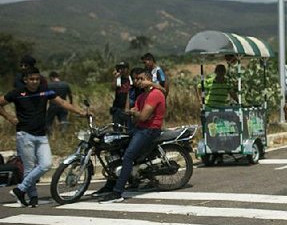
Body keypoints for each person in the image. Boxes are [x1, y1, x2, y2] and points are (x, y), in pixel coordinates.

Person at [0, 66, 89, 207]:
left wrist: (80, 112)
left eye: (37, 79)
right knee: (29, 168)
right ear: (25, 80)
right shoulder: (17, 93)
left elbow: (63, 103)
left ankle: (20, 189)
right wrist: (10, 117)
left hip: (41, 135)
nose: (35, 82)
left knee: (46, 164)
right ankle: (33, 197)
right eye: (31, 79)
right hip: (24, 134)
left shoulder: (45, 91)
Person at [96, 68, 166, 202]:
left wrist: (135, 113)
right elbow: (135, 118)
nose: (138, 81)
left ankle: (117, 193)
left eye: (141, 79)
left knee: (128, 156)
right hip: (140, 128)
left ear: (149, 80)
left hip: (150, 130)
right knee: (115, 147)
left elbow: (144, 117)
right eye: (136, 79)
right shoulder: (140, 97)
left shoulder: (155, 94)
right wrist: (134, 113)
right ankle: (114, 183)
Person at [111, 62, 134, 127]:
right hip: (118, 108)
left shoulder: (131, 79)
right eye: (120, 68)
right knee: (117, 129)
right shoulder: (118, 79)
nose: (122, 70)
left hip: (129, 108)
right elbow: (113, 87)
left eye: (124, 68)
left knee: (129, 128)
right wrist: (115, 77)